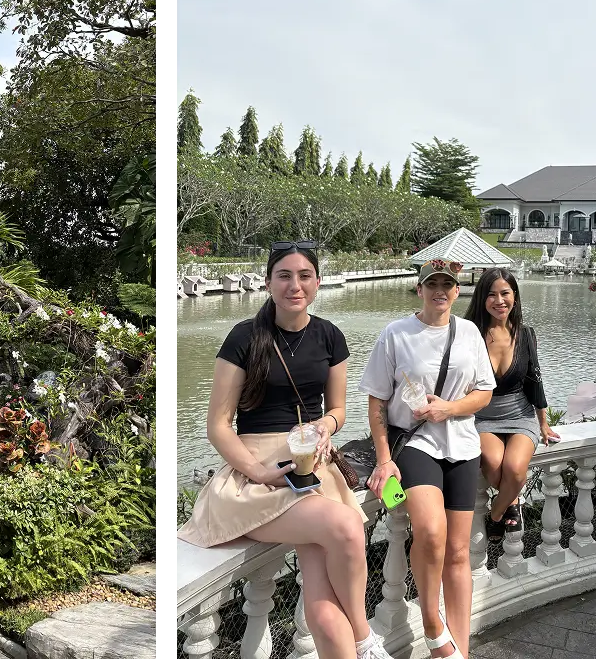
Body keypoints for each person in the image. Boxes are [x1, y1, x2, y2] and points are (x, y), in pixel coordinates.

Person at [177, 241, 390, 659]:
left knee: (324, 600)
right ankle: (366, 639)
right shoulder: (244, 337)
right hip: (257, 473)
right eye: (284, 275)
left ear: (318, 281)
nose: (295, 285)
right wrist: (260, 473)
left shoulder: (330, 335)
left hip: (314, 466)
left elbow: (340, 409)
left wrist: (326, 425)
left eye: (304, 275)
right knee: (346, 527)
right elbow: (218, 425)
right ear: (269, 281)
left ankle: (355, 647)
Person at [360, 259, 495, 659]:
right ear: (419, 289)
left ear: (457, 291)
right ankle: (433, 623)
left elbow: (484, 392)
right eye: (431, 284)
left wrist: (448, 409)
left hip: (463, 445)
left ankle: (461, 649)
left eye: (447, 285)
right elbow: (376, 401)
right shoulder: (396, 334)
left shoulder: (469, 332)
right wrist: (384, 460)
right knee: (431, 533)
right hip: (416, 445)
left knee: (459, 552)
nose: (440, 291)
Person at [464, 267, 559, 542]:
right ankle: (513, 503)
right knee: (494, 462)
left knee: (516, 469)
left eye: (505, 293)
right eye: (491, 294)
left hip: (519, 414)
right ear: (482, 299)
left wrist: (543, 421)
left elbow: (535, 380)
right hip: (482, 417)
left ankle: (496, 513)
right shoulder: (469, 335)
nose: (499, 300)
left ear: (514, 297)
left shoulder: (526, 335)